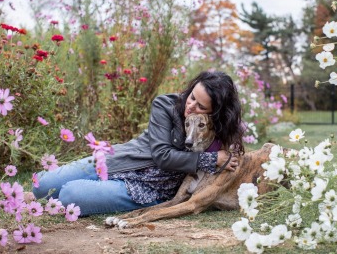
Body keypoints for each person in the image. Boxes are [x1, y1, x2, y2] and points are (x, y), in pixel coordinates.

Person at [32, 70, 244, 216]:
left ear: (215, 114)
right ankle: (48, 196)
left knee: (71, 194)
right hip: (120, 161)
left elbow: (230, 165)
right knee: (41, 186)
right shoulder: (166, 104)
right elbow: (162, 155)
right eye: (191, 97)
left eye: (201, 107)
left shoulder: (219, 132)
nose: (190, 106)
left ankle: (79, 196)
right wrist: (211, 159)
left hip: (148, 189)